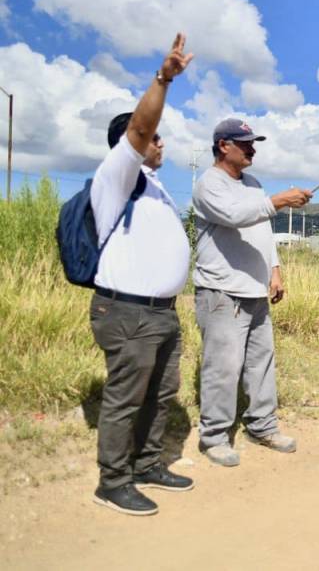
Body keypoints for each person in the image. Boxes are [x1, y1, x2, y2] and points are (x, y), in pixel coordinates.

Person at [89, 33, 194, 516]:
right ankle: (113, 481)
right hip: (128, 310)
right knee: (126, 397)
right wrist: (163, 79)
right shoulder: (117, 175)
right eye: (154, 137)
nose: (160, 141)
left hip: (161, 313)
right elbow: (137, 127)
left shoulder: (154, 187)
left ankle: (148, 463)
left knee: (160, 392)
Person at [192, 119, 313, 467]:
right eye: (244, 142)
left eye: (254, 142)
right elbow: (234, 216)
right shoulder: (209, 185)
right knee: (223, 368)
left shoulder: (254, 184)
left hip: (255, 290)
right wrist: (278, 200)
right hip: (222, 291)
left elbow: (262, 229)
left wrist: (274, 270)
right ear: (222, 145)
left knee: (262, 363)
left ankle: (262, 425)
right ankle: (214, 436)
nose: (252, 148)